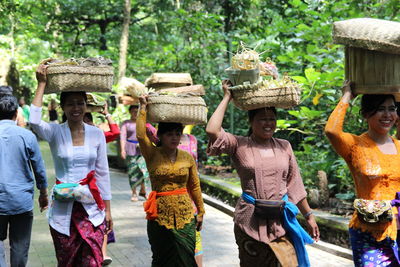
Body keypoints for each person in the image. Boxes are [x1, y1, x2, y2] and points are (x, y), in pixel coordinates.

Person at [206, 80, 319, 267]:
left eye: (271, 119)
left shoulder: (285, 146)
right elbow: (212, 130)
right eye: (262, 119)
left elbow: (295, 184)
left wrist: (309, 216)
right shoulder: (238, 144)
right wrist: (227, 97)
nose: (268, 123)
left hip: (281, 222)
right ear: (251, 121)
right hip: (249, 221)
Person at [30, 63, 113, 266]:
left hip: (91, 208)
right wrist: (41, 83)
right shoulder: (55, 132)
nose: (76, 108)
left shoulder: (96, 134)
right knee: (67, 261)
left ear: (86, 105)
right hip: (62, 210)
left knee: (93, 261)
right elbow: (33, 120)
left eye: (80, 103)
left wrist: (108, 210)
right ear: (63, 108)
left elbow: (103, 173)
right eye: (70, 104)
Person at [325, 81, 400, 266]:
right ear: (367, 113)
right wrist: (347, 96)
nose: (387, 115)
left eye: (392, 109)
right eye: (380, 109)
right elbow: (331, 130)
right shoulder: (354, 145)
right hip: (368, 231)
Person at [137, 95, 205, 266]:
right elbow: (140, 135)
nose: (174, 138)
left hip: (185, 212)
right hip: (159, 213)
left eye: (177, 134)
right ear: (160, 135)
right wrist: (143, 107)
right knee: (161, 257)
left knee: (187, 256)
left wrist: (201, 211)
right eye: (169, 134)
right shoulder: (152, 154)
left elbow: (194, 186)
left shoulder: (187, 157)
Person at [0, 95, 48, 267]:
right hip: (21, 200)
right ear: (16, 114)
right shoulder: (27, 136)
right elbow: (39, 169)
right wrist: (43, 193)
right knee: (19, 247)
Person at [83, 102, 119, 266]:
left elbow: (116, 132)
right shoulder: (69, 138)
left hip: (99, 188)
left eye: (89, 121)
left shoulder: (98, 135)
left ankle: (102, 253)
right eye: (84, 122)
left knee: (102, 220)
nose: (87, 125)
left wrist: (106, 113)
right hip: (81, 189)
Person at [120, 105, 148, 201]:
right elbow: (123, 137)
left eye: (137, 111)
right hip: (130, 150)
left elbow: (148, 135)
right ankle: (134, 193)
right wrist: (123, 149)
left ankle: (143, 190)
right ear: (130, 112)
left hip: (142, 150)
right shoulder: (126, 123)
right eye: (133, 111)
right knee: (133, 172)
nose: (135, 113)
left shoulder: (143, 122)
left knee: (144, 171)